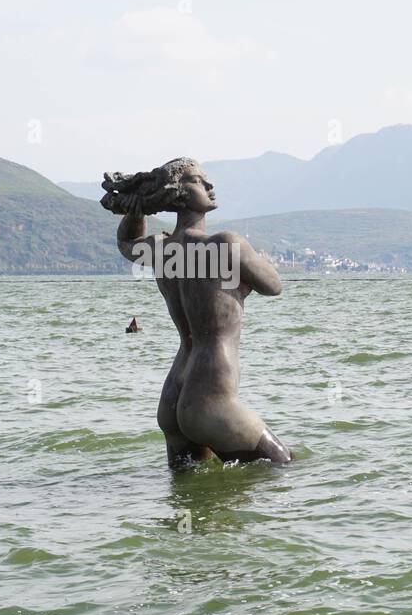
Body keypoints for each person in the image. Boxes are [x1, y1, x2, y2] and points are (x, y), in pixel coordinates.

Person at [102, 158, 292, 467]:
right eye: (198, 181)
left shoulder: (161, 249)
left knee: (187, 498)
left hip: (174, 392)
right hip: (209, 392)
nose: (209, 186)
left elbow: (126, 242)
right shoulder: (227, 244)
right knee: (284, 467)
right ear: (176, 193)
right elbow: (274, 286)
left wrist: (136, 207)